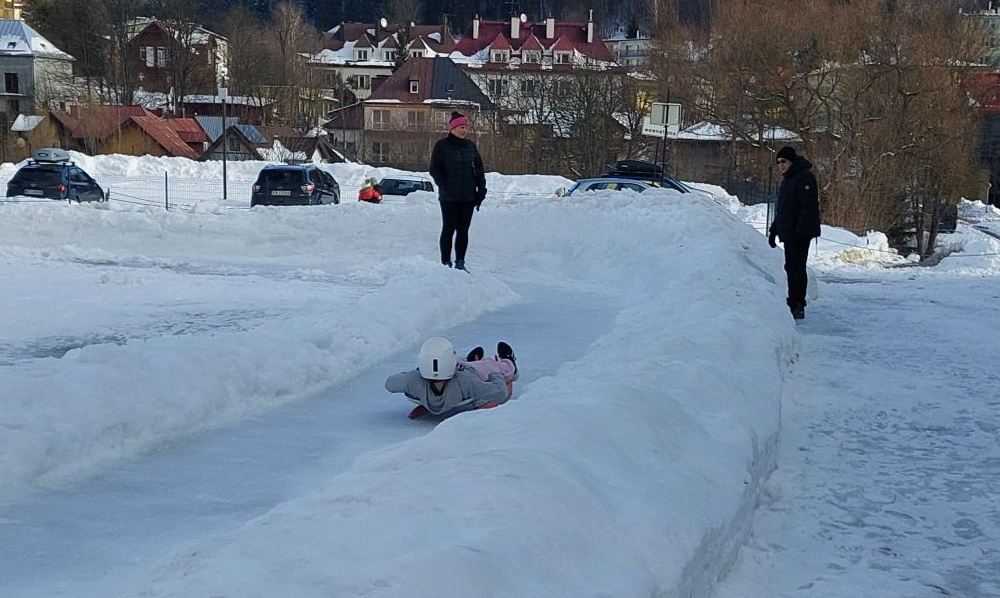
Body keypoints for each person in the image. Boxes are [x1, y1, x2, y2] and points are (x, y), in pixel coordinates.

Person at [385, 337, 518, 419]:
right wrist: (496, 375)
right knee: (489, 365)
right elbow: (500, 393)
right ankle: (508, 362)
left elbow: (390, 383)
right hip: (468, 371)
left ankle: (471, 360)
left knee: (471, 363)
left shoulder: (413, 379)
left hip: (463, 370)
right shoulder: (466, 382)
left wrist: (410, 374)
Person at [428, 112, 487, 272]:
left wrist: (481, 189)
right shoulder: (442, 146)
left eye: (466, 127)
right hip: (449, 197)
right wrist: (444, 185)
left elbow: (479, 170)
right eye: (461, 127)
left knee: (463, 230)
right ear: (453, 128)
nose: (464, 130)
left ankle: (460, 261)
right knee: (449, 228)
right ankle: (446, 262)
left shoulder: (470, 146)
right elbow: (434, 169)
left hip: (468, 196)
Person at [768, 146, 821, 320]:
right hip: (789, 232)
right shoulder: (788, 179)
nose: (780, 165)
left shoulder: (804, 177)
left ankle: (798, 304)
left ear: (792, 161)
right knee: (791, 267)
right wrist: (774, 229)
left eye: (783, 161)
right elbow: (783, 208)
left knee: (797, 267)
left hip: (799, 233)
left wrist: (801, 231)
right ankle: (793, 301)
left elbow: (809, 206)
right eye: (778, 162)